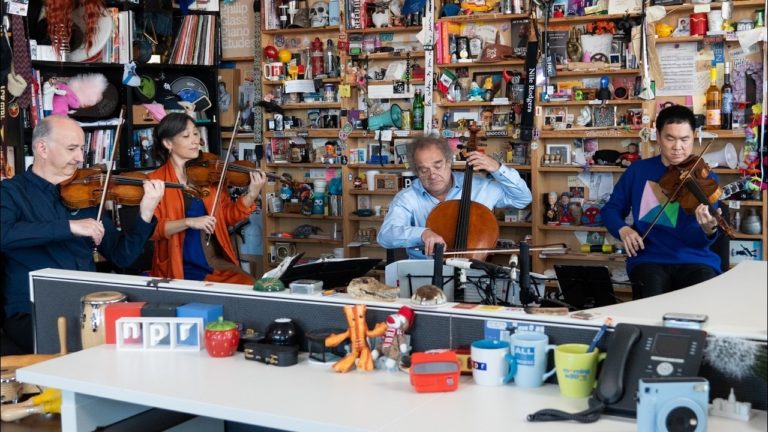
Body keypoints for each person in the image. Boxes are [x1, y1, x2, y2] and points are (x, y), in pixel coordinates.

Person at [0, 115, 165, 354]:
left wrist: (146, 213)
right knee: (86, 351)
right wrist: (69, 226)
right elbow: (4, 235)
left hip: (88, 309)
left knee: (143, 342)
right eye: (71, 149)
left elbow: (122, 256)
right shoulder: (11, 192)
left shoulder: (87, 195)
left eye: (81, 148)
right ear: (42, 148)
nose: (80, 157)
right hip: (33, 310)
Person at [602, 105, 721, 299]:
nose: (677, 147)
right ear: (658, 137)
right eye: (670, 138)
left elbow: (699, 240)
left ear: (694, 137)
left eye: (685, 139)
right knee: (650, 298)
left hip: (695, 259)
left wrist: (709, 229)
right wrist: (623, 229)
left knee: (701, 304)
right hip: (649, 259)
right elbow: (610, 210)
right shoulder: (638, 171)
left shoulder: (705, 178)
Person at [147, 113, 266, 285]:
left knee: (250, 286)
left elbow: (228, 217)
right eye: (186, 136)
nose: (195, 140)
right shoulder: (156, 181)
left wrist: (252, 194)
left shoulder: (208, 175)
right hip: (179, 265)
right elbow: (153, 230)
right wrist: (189, 222)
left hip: (212, 262)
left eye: (196, 133)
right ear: (168, 143)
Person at [377, 136, 532, 258]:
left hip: (474, 271)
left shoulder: (480, 187)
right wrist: (422, 233)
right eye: (424, 170)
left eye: (438, 166)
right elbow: (386, 235)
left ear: (449, 162)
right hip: (426, 274)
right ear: (416, 172)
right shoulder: (407, 197)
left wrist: (497, 168)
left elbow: (522, 199)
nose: (432, 175)